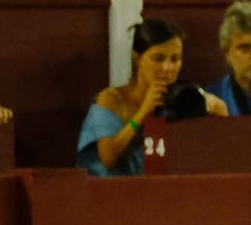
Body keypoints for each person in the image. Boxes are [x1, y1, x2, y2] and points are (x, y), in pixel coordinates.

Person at [78, 18, 228, 176]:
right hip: (109, 191)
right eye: (158, 58)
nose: (167, 67)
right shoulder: (111, 99)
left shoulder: (183, 97)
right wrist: (142, 114)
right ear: (137, 58)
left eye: (175, 59)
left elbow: (219, 157)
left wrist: (215, 112)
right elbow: (108, 159)